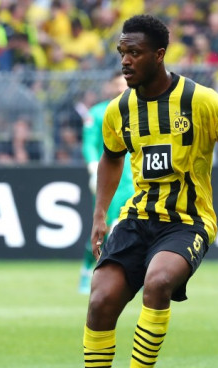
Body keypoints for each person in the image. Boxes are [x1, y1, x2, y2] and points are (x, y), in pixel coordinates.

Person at [60, 14, 218, 368]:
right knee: (100, 300)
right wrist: (100, 215)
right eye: (121, 53)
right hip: (137, 218)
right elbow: (111, 157)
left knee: (158, 282)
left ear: (159, 54)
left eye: (134, 53)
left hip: (187, 221)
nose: (125, 61)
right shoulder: (118, 110)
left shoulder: (200, 101)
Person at [78, 72, 134, 294]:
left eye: (125, 84)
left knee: (134, 229)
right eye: (117, 84)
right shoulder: (98, 113)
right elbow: (89, 144)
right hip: (110, 181)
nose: (121, 88)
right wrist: (94, 168)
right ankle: (87, 272)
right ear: (110, 87)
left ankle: (133, 276)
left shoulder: (142, 110)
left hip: (135, 180)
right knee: (104, 230)